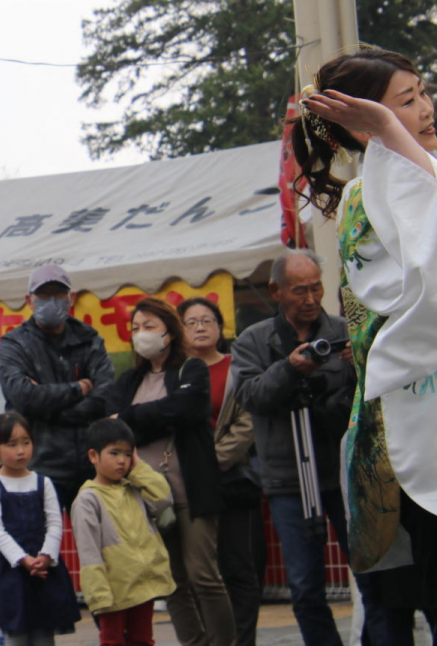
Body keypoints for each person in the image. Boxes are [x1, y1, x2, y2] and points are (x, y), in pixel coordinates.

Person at [290, 47, 437, 637]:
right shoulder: (357, 203)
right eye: (407, 102)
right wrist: (389, 135)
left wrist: (391, 129)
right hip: (399, 415)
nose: (425, 109)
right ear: (360, 123)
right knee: (397, 599)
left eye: (424, 93)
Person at [231, 249, 359, 646]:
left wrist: (357, 364)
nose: (310, 298)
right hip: (288, 479)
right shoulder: (254, 339)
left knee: (374, 577)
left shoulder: (342, 331)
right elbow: (250, 396)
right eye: (299, 290)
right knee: (305, 587)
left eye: (316, 287)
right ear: (276, 291)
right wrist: (289, 369)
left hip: (344, 472)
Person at [108, 297, 234, 646]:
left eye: (149, 326)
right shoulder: (129, 380)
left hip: (191, 490)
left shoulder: (190, 370)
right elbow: (116, 431)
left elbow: (186, 409)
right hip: (147, 500)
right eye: (135, 328)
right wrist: (152, 417)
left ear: (169, 331)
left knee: (204, 576)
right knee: (172, 582)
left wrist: (133, 418)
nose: (141, 334)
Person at [177, 297, 264, 646]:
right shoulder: (175, 374)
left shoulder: (237, 368)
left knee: (240, 569)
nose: (200, 327)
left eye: (208, 320)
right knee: (200, 575)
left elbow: (247, 425)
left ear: (220, 327)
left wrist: (207, 464)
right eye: (191, 321)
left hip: (229, 481)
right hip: (186, 487)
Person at [0, 264, 114, 511]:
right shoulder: (14, 343)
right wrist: (78, 389)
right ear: (29, 301)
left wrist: (48, 408)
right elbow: (22, 397)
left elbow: (106, 396)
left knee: (97, 545)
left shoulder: (89, 339)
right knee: (38, 545)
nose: (52, 301)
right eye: (44, 295)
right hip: (37, 467)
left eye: (59, 294)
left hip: (90, 466)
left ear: (71, 298)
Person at [71, 418, 175, 646]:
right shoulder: (88, 499)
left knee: (143, 640)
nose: (122, 461)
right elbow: (89, 551)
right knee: (112, 641)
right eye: (114, 453)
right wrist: (99, 594)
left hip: (141, 586)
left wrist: (138, 467)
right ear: (93, 456)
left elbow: (163, 497)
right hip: (112, 589)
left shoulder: (134, 488)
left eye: (128, 454)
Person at [0, 412, 79, 646]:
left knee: (45, 633)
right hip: (10, 569)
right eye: (12, 445)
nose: (21, 450)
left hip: (44, 568)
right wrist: (23, 559)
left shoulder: (43, 482)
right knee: (16, 634)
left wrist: (46, 555)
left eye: (26, 442)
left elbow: (55, 522)